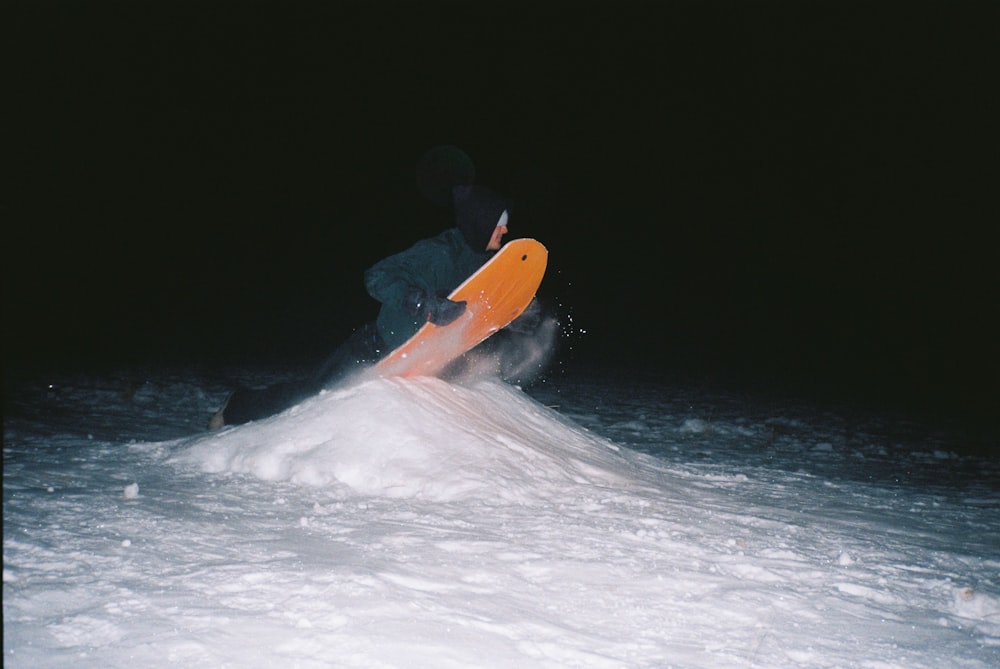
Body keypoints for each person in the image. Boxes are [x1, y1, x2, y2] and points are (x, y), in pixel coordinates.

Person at [208, 183, 527, 429]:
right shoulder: (439, 252)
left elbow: (478, 303)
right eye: (500, 223)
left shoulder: (483, 263)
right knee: (309, 400)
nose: (505, 229)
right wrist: (425, 305)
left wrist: (512, 314)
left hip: (418, 357)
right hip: (373, 348)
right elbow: (377, 276)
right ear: (481, 223)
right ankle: (237, 407)